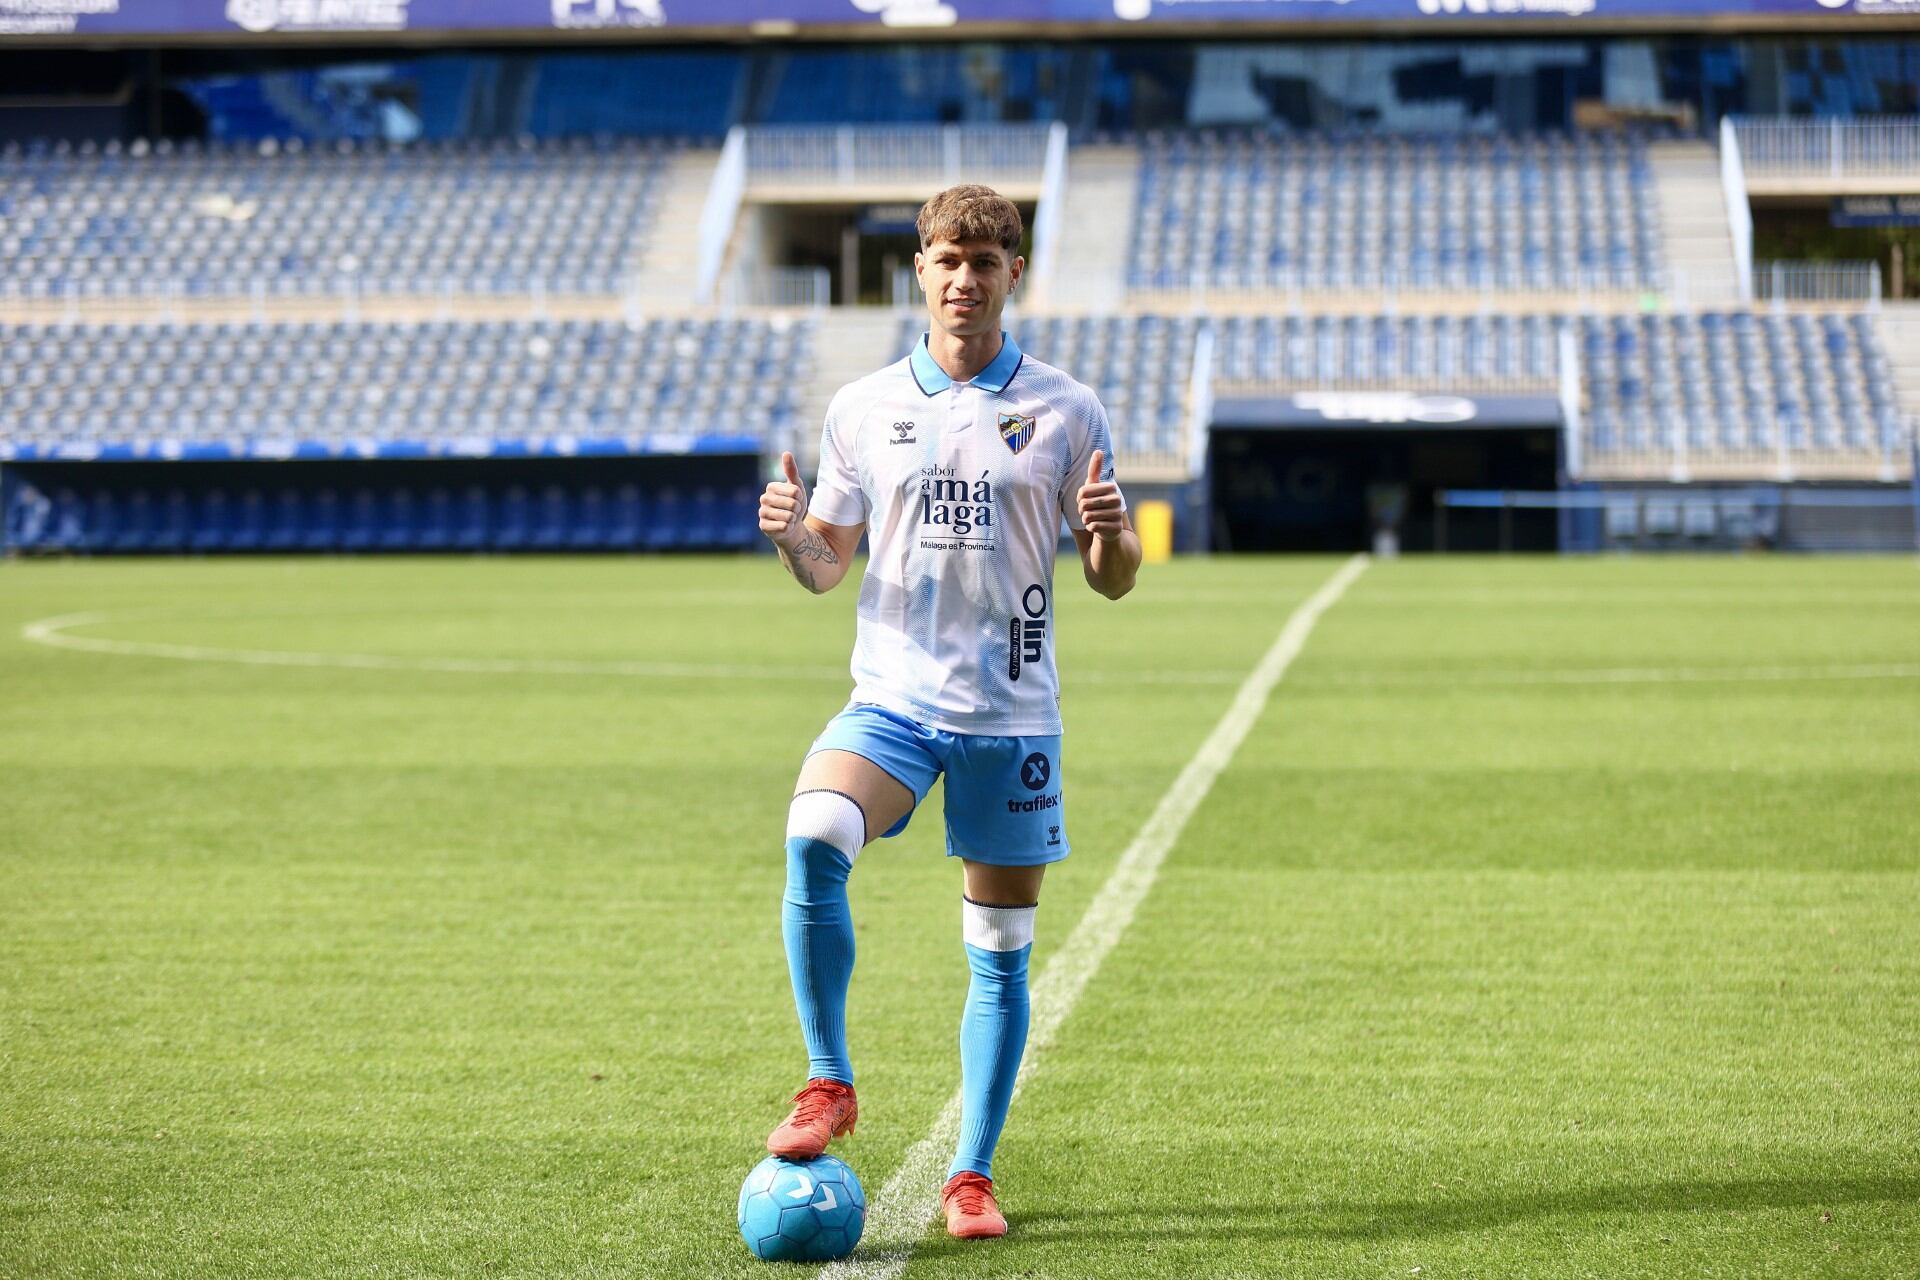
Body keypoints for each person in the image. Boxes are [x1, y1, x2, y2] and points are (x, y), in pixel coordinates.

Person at [757, 184, 1140, 1240]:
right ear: (918, 272)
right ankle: (828, 1080)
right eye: (945, 259)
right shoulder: (862, 406)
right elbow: (828, 564)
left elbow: (1112, 577)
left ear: (1015, 273)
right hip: (892, 700)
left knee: (1001, 943)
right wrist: (793, 533)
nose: (964, 278)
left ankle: (970, 1173)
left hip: (1012, 717)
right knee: (813, 834)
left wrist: (1110, 532)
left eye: (985, 260)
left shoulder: (1068, 407)